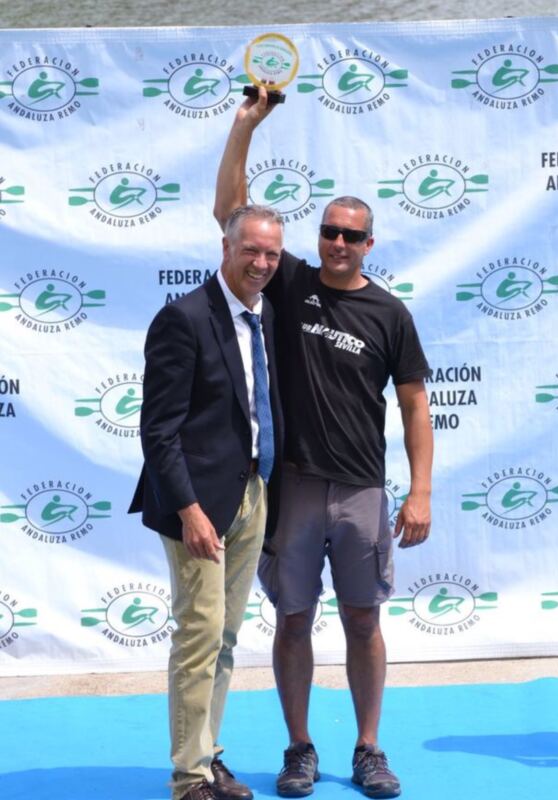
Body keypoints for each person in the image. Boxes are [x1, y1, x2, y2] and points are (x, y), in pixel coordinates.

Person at [214, 89, 433, 799]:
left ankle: (369, 748)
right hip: (296, 487)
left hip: (364, 491)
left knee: (365, 619)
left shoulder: (389, 313)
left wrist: (421, 490)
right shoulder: (289, 285)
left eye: (352, 235)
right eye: (330, 232)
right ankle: (300, 748)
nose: (338, 243)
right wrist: (245, 126)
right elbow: (232, 214)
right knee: (294, 619)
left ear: (370, 243)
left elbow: (414, 404)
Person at [129, 205, 285, 800]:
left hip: (252, 492)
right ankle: (188, 777)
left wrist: (264, 487)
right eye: (252, 251)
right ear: (226, 247)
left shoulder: (264, 318)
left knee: (224, 637)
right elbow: (158, 431)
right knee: (199, 634)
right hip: (197, 504)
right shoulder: (184, 319)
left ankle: (208, 753)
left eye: (271, 254)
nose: (263, 263)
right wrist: (190, 510)